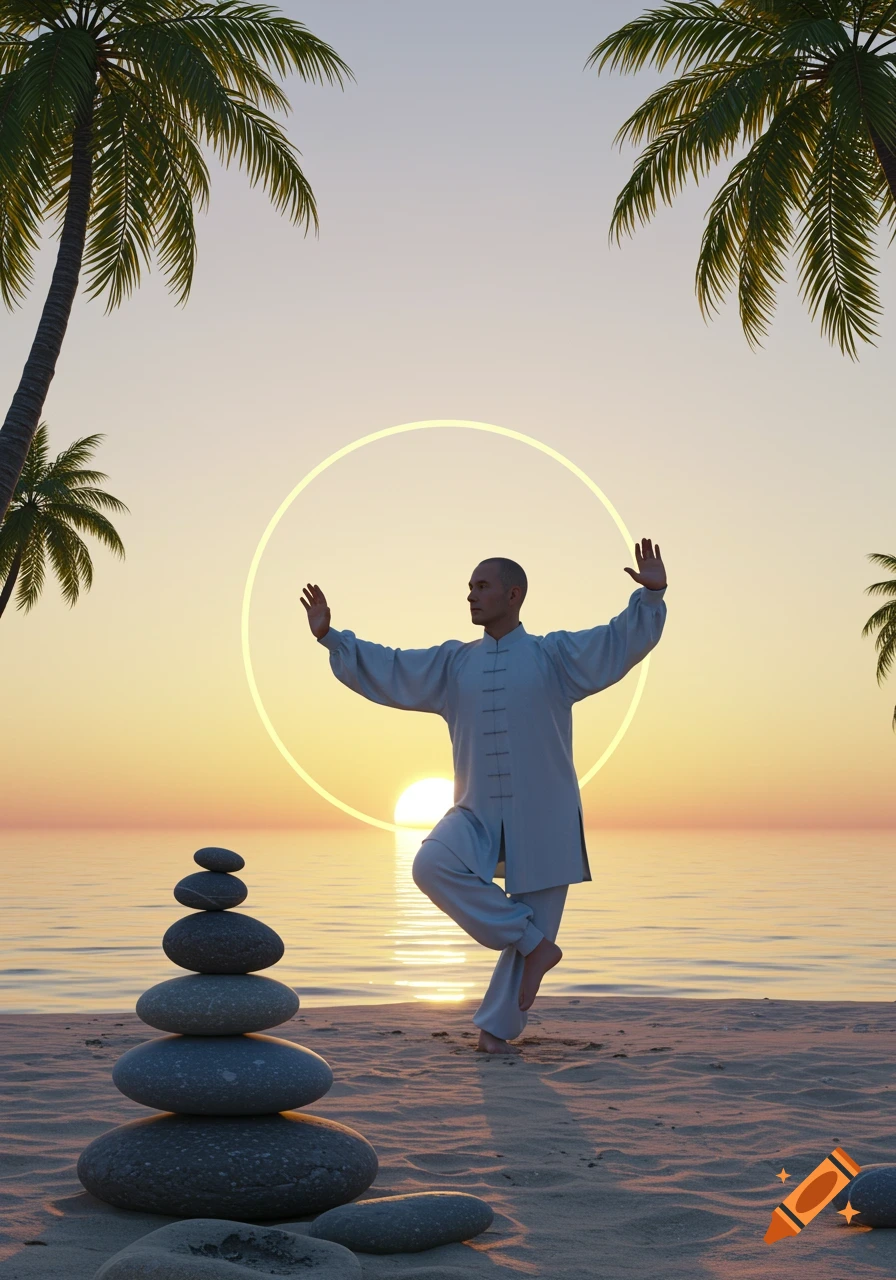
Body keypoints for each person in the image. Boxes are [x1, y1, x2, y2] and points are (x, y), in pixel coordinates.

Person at [302, 540, 667, 1054]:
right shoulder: (455, 663)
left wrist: (651, 597)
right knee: (431, 866)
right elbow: (394, 666)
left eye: (482, 586)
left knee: (534, 923)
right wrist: (332, 639)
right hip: (474, 812)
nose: (471, 595)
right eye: (469, 587)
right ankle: (535, 946)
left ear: (513, 594)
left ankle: (495, 1035)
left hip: (544, 815)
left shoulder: (554, 656)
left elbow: (614, 641)